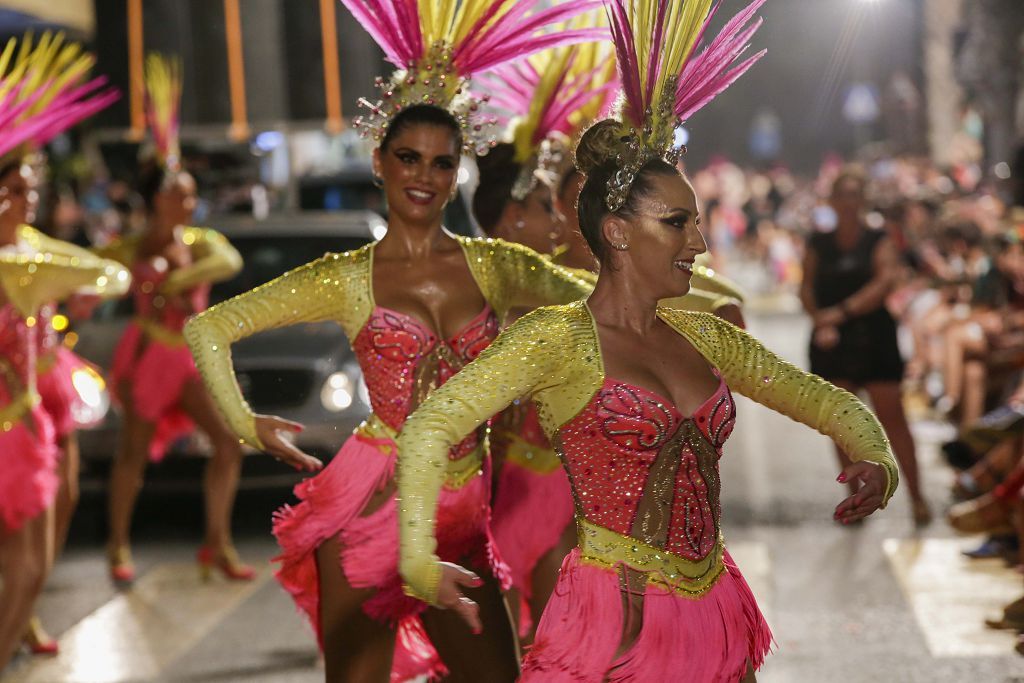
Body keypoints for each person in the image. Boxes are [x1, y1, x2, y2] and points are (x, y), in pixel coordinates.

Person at [395, 1, 897, 680]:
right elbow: (429, 426)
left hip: (717, 605)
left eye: (696, 221)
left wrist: (876, 458)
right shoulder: (559, 338)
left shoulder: (705, 334)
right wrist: (418, 556)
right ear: (618, 231)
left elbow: (830, 404)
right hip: (612, 620)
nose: (698, 240)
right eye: (678, 222)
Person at [185, 1, 601, 679]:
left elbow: (602, 307)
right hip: (372, 507)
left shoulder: (495, 265)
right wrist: (244, 423)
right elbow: (209, 326)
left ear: (457, 171)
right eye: (408, 157)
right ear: (379, 161)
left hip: (465, 513)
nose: (423, 176)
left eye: (441, 163)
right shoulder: (348, 278)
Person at [473, 36, 748, 641]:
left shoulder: (679, 303)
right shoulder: (527, 291)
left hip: (625, 513)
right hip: (533, 485)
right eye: (558, 205)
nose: (563, 221)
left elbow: (734, 337)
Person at [0, 44, 127, 665]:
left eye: (31, 189)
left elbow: (96, 274)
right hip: (10, 406)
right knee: (21, 534)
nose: (27, 201)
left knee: (62, 498)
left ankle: (21, 611)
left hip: (39, 387)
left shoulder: (31, 245)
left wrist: (73, 296)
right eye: (16, 190)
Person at [105, 54, 249, 584]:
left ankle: (218, 540)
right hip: (149, 355)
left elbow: (230, 261)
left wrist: (173, 281)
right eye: (179, 193)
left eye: (191, 194)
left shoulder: (201, 242)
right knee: (132, 458)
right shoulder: (132, 245)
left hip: (188, 357)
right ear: (157, 199)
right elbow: (98, 273)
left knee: (228, 444)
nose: (188, 202)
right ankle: (117, 545)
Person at [801, 169, 931, 525]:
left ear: (863, 200)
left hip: (873, 336)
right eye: (842, 195)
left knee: (893, 417)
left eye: (854, 194)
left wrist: (838, 314)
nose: (848, 202)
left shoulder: (879, 239)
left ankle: (917, 496)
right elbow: (806, 286)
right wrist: (819, 319)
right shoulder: (818, 242)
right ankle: (854, 499)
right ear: (832, 200)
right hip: (833, 340)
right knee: (842, 425)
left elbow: (885, 281)